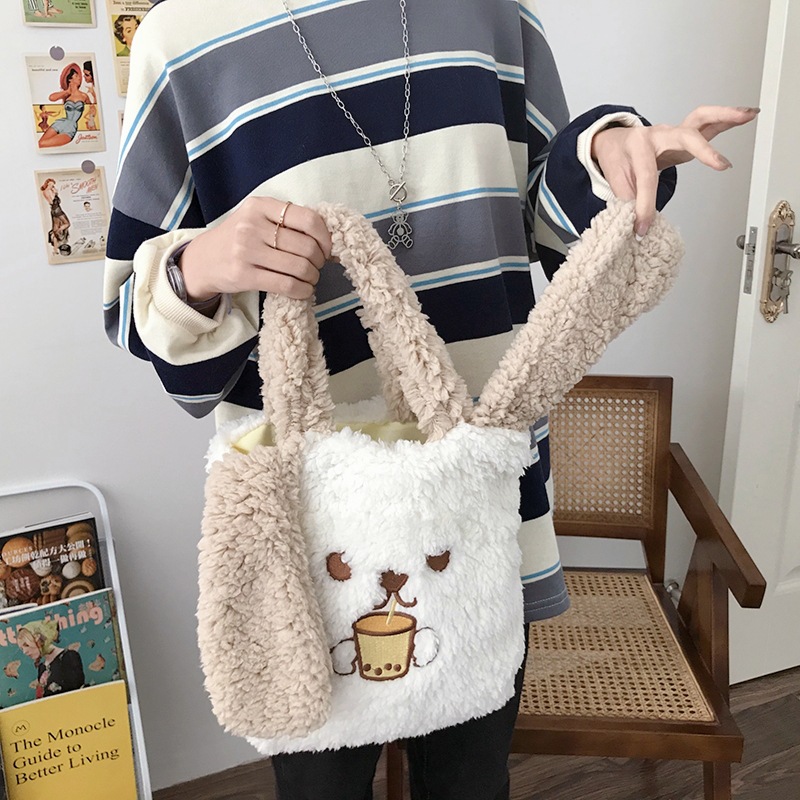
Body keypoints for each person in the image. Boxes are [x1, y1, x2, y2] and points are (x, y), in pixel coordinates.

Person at [104, 2, 757, 798]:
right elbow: (131, 307)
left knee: (471, 777)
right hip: (310, 523)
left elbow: (545, 217)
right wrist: (198, 268)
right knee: (321, 786)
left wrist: (604, 159)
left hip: (475, 499)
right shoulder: (182, 40)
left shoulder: (494, 13)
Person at [17, 620, 85, 698]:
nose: (25, 652)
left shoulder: (69, 656)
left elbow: (76, 691)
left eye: (26, 645)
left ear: (39, 639)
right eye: (22, 649)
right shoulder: (42, 667)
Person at [38, 63, 90, 149]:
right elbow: (51, 98)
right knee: (40, 143)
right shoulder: (66, 95)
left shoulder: (84, 96)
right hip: (60, 123)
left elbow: (93, 109)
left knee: (42, 144)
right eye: (76, 76)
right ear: (70, 79)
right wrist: (66, 92)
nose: (79, 78)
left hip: (71, 128)